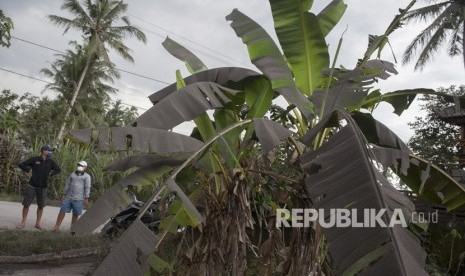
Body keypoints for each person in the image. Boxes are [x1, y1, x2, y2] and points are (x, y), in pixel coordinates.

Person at [17, 144, 61, 230]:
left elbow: (58, 169)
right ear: (43, 151)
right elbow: (21, 164)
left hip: (43, 187)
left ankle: (38, 224)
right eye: (48, 150)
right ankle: (23, 222)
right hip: (32, 186)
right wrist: (28, 170)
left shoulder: (50, 162)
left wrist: (52, 174)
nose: (50, 152)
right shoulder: (35, 159)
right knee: (26, 204)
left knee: (41, 206)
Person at [53, 160, 91, 231]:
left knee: (75, 214)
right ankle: (56, 226)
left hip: (78, 198)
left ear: (85, 168)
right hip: (68, 197)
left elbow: (87, 187)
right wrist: (64, 194)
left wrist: (86, 198)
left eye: (81, 166)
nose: (79, 166)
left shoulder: (87, 177)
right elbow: (67, 184)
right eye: (79, 165)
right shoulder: (72, 174)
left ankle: (72, 229)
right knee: (62, 210)